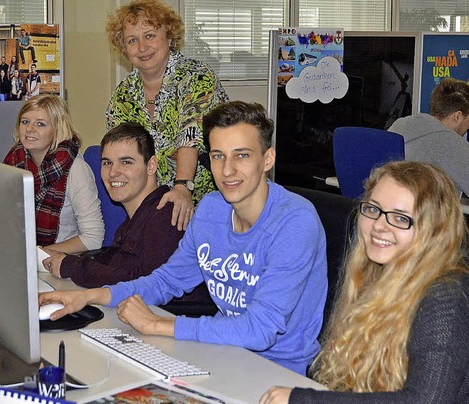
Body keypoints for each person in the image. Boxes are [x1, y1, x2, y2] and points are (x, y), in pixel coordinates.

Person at [39, 101, 328, 375]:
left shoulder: (295, 222)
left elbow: (259, 330)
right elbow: (167, 281)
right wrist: (89, 296)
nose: (227, 170)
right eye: (218, 156)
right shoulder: (213, 208)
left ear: (267, 159)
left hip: (277, 370)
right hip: (219, 352)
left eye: (242, 155)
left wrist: (161, 324)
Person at [260, 161, 469, 404]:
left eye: (400, 218)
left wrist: (303, 400)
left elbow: (424, 401)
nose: (379, 226)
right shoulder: (380, 272)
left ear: (434, 230)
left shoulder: (448, 300)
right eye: (373, 210)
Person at [42, 122, 210, 309]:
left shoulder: (168, 215)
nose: (113, 172)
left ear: (151, 166)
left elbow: (144, 285)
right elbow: (115, 264)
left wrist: (71, 266)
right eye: (107, 163)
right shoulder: (136, 217)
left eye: (126, 162)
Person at [105, 0, 229, 231]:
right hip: (153, 207)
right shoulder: (123, 94)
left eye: (150, 35)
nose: (142, 47)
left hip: (208, 201)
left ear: (169, 38)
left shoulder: (196, 76)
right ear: (124, 48)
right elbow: (122, 151)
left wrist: (182, 187)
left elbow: (189, 136)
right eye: (132, 40)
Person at [3, 94, 104, 253]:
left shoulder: (76, 169)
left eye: (40, 124)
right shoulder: (14, 160)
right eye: (25, 122)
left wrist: (35, 256)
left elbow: (93, 238)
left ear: (58, 129)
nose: (29, 129)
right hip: (18, 255)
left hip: (57, 261)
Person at [388, 77, 469, 208]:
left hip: (393, 214)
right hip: (426, 221)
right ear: (457, 116)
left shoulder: (400, 125)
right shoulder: (451, 142)